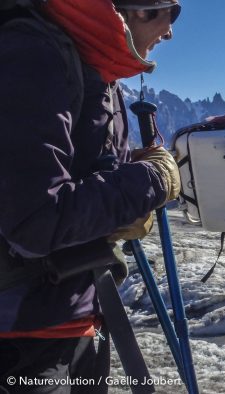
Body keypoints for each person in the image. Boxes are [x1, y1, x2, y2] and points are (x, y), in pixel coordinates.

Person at [0, 0, 181, 392]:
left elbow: (82, 177)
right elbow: (36, 221)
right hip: (23, 333)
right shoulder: (33, 53)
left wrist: (127, 191)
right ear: (138, 9)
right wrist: (148, 180)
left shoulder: (97, 71)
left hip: (79, 313)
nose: (169, 32)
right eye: (172, 12)